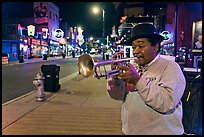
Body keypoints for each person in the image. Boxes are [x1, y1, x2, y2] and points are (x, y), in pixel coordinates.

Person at [106, 23, 186, 135]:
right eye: (134, 47)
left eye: (141, 46)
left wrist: (138, 81)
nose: (135, 51)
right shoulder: (133, 67)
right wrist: (115, 80)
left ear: (155, 47)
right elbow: (118, 96)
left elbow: (167, 103)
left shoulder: (170, 67)